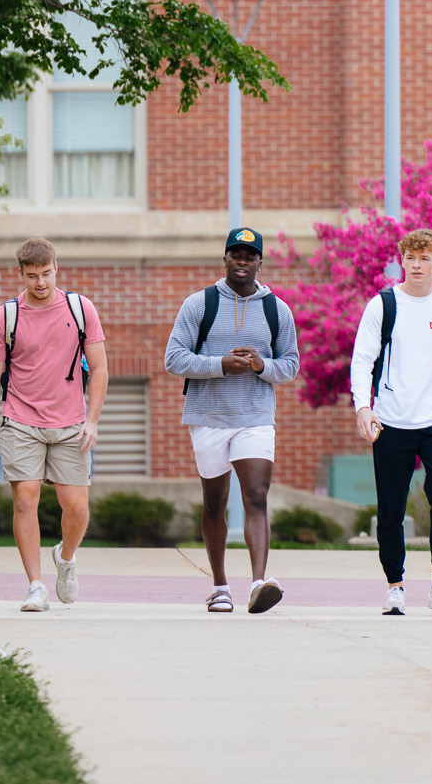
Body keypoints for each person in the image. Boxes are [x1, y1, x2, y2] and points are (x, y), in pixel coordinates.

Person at [164, 225, 300, 615]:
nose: (242, 261)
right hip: (208, 417)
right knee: (214, 503)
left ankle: (259, 582)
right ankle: (220, 586)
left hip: (255, 417)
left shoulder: (277, 310)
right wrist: (220, 364)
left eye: (250, 255)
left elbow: (289, 366)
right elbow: (174, 359)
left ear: (260, 261)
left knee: (256, 496)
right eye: (235, 254)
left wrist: (261, 365)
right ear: (224, 258)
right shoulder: (199, 304)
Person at [0, 237, 108, 612]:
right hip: (21, 420)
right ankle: (35, 586)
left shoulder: (81, 309)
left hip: (70, 423)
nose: (40, 283)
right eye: (32, 276)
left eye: (46, 274)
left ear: (56, 269)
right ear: (21, 274)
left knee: (77, 507)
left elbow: (99, 369)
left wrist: (92, 420)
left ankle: (65, 559)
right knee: (25, 500)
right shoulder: (5, 318)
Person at [349, 227, 432, 616]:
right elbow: (361, 360)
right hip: (391, 421)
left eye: (424, 258)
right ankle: (395, 586)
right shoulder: (382, 304)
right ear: (401, 261)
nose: (416, 265)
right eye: (410, 257)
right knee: (390, 508)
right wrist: (362, 408)